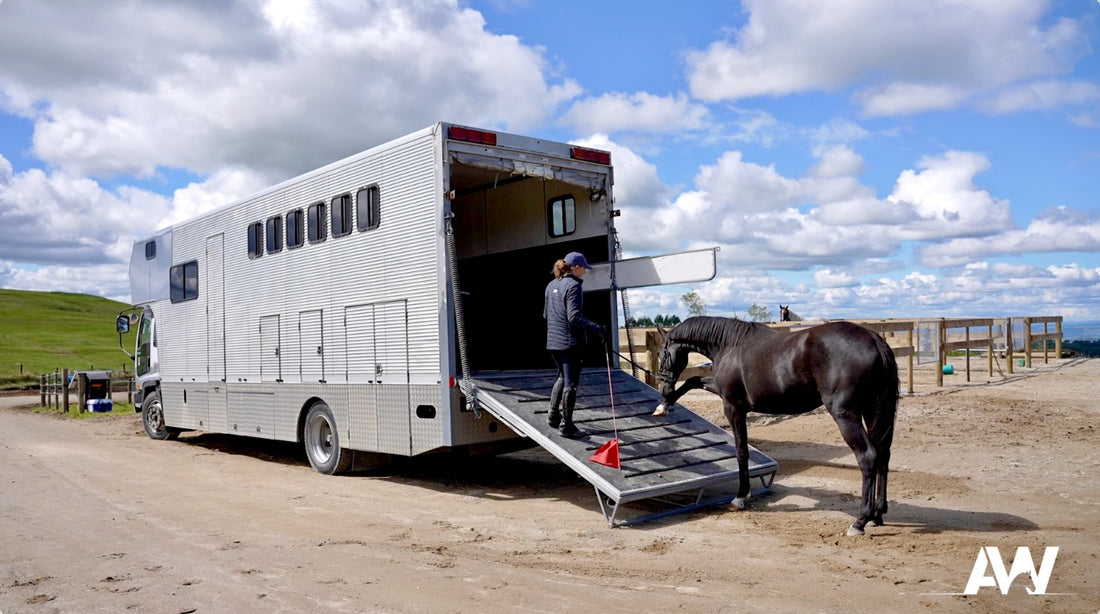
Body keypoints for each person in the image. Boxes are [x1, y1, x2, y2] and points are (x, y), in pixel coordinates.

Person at [543, 251, 607, 437]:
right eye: (584, 269)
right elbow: (574, 317)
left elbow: (546, 315)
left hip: (553, 343)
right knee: (570, 383)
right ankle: (567, 425)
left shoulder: (550, 285)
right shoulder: (574, 286)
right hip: (570, 344)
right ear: (576, 267)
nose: (585, 272)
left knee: (562, 377)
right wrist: (598, 329)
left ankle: (553, 415)